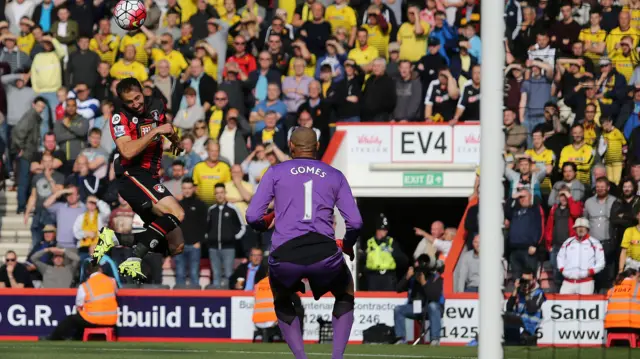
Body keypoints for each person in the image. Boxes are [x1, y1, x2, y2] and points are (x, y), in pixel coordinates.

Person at [246, 127, 363, 359]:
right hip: (324, 253)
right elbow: (356, 223)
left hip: (285, 255)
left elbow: (252, 217)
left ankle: (301, 357)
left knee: (281, 297)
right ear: (317, 146)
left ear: (290, 146)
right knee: (345, 291)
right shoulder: (334, 175)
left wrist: (267, 221)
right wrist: (348, 245)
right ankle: (337, 357)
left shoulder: (275, 172)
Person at [93, 77, 185, 280]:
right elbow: (127, 151)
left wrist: (175, 141)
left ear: (142, 92)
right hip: (131, 175)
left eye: (137, 98)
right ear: (123, 102)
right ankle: (134, 259)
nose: (135, 104)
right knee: (177, 213)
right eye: (130, 102)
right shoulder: (119, 117)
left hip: (150, 177)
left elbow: (165, 127)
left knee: (175, 245)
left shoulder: (157, 104)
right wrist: (156, 131)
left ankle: (114, 238)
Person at [44, 263, 117, 340]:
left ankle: (54, 338)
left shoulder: (85, 286)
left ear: (88, 272)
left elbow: (79, 306)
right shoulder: (112, 281)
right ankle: (76, 337)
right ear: (100, 269)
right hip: (111, 321)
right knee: (81, 317)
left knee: (72, 319)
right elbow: (114, 293)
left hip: (93, 320)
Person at [393, 254, 444, 346]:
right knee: (398, 309)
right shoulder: (414, 277)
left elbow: (434, 297)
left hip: (431, 308)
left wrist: (424, 283)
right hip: (416, 307)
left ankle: (435, 340)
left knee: (432, 306)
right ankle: (401, 339)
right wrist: (407, 277)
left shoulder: (436, 278)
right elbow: (398, 289)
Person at [206, 183, 246, 289]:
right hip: (213, 248)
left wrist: (234, 238)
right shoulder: (211, 210)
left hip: (229, 248)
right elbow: (207, 227)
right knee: (216, 275)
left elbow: (242, 226)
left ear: (225, 193)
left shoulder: (233, 209)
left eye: (221, 192)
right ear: (214, 194)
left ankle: (228, 298)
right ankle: (216, 301)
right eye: (217, 193)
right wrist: (209, 238)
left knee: (229, 274)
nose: (219, 195)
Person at [556, 217, 605, 294]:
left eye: (583, 227)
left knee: (585, 305)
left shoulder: (595, 243)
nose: (581, 229)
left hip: (586, 283)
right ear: (575, 229)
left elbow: (601, 262)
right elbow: (560, 257)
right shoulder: (568, 242)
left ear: (587, 229)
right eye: (578, 227)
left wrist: (590, 272)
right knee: (562, 303)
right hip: (568, 282)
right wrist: (562, 269)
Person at [503, 269, 546, 346]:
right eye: (524, 280)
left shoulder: (539, 293)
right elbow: (508, 308)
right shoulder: (520, 292)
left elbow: (532, 309)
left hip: (530, 325)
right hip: (518, 322)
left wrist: (527, 294)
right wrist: (516, 289)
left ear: (534, 280)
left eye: (527, 280)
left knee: (523, 340)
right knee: (504, 318)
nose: (526, 283)